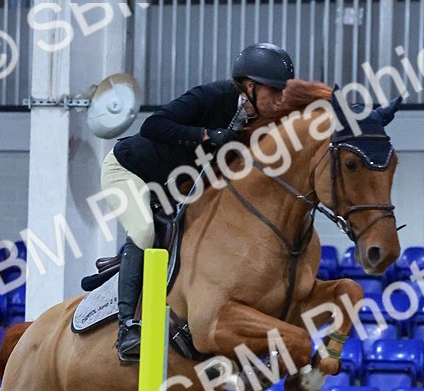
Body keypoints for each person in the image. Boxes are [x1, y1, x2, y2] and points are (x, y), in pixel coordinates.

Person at [102, 42, 295, 362]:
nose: (278, 100)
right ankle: (127, 328)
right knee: (144, 232)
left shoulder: (252, 121)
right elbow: (153, 125)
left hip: (172, 186)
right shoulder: (212, 95)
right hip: (127, 171)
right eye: (273, 92)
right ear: (250, 86)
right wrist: (205, 135)